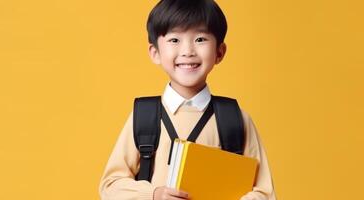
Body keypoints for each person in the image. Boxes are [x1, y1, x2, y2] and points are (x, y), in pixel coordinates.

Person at [99, 0, 276, 199]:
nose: (188, 51)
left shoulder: (235, 119)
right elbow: (110, 185)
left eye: (200, 39)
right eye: (174, 40)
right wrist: (154, 195)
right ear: (155, 53)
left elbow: (264, 192)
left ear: (220, 52)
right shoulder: (144, 117)